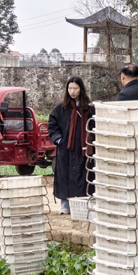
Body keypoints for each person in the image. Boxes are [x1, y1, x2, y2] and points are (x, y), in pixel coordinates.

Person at [48, 77, 94, 214]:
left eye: (75, 88)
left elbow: (95, 125)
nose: (72, 92)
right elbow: (52, 126)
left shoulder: (89, 108)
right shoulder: (61, 108)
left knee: (83, 177)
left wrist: (92, 142)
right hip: (66, 150)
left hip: (83, 149)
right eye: (70, 88)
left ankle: (82, 205)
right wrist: (59, 140)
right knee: (65, 177)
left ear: (81, 89)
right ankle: (65, 205)